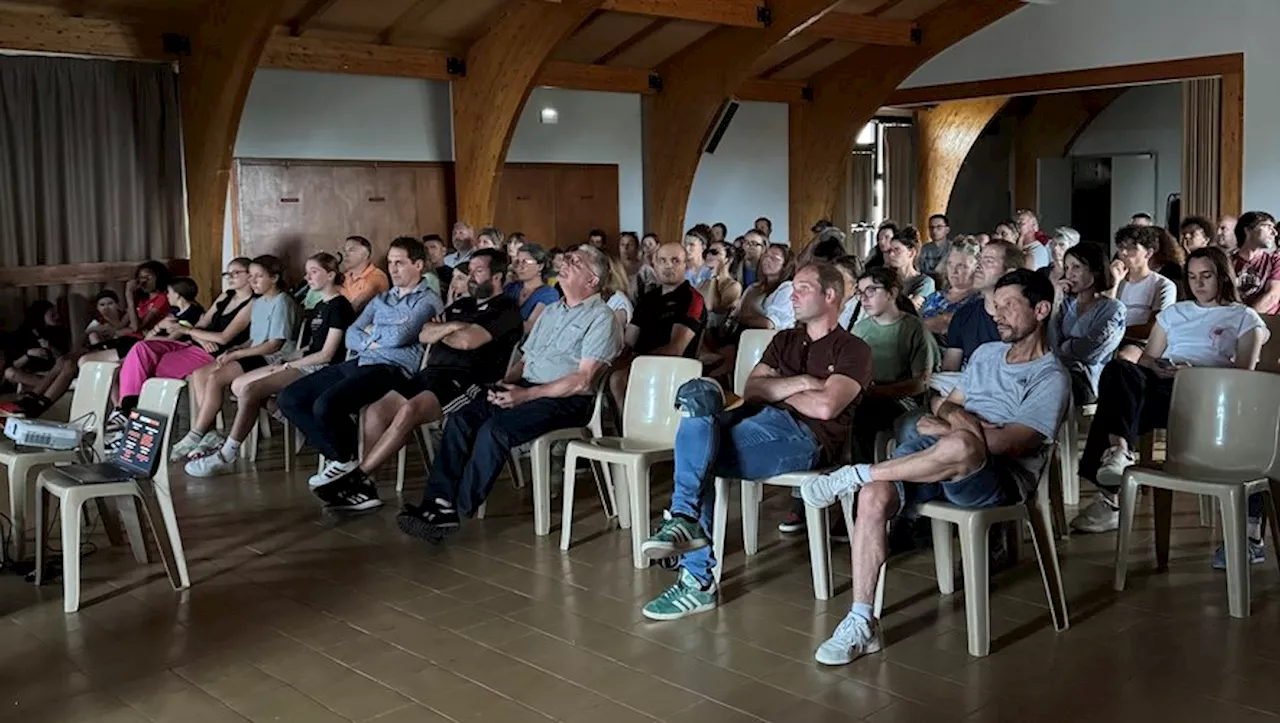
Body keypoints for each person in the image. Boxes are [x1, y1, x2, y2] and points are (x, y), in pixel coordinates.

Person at [801, 268, 1068, 665]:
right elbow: (944, 403)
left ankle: (857, 473)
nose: (997, 314)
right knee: (876, 495)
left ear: (1041, 309)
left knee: (960, 443)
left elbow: (1005, 443)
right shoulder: (988, 354)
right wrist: (957, 418)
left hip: (997, 477)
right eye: (996, 305)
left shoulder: (1051, 376)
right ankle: (861, 620)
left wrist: (954, 423)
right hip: (941, 457)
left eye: (1009, 305)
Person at [637, 261, 872, 620]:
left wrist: (775, 391)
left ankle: (693, 569)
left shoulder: (853, 349)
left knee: (701, 454)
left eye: (803, 288)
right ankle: (684, 519)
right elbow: (750, 388)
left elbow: (825, 407)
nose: (792, 294)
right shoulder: (785, 339)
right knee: (697, 396)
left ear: (830, 295)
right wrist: (802, 383)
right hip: (752, 420)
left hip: (803, 438)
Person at [395, 244, 622, 540]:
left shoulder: (601, 317)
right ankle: (437, 502)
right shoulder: (552, 311)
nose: (565, 262)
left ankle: (456, 508)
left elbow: (583, 380)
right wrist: (505, 385)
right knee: (463, 418)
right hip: (528, 387)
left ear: (592, 280)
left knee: (496, 429)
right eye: (567, 258)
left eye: (575, 262)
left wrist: (526, 395)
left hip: (568, 400)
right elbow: (525, 361)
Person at [1071, 247, 1269, 548]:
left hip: (1209, 394)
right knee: (1118, 370)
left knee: (1117, 404)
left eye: (1206, 276)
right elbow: (1148, 358)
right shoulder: (1175, 312)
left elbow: (1244, 372)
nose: (1198, 284)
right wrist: (1163, 369)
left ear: (1222, 277)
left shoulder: (1243, 316)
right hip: (1164, 383)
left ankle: (1109, 497)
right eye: (1191, 277)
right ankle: (1120, 452)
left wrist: (1194, 373)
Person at [315, 249, 523, 500]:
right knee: (376, 411)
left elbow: (468, 341)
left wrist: (444, 331)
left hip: (467, 381)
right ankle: (367, 486)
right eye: (470, 272)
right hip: (432, 372)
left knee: (408, 410)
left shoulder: (506, 309)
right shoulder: (462, 305)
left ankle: (359, 476)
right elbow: (424, 334)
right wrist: (456, 326)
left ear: (497, 277)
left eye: (478, 272)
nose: (471, 277)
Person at [278, 236, 443, 497]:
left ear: (419, 265)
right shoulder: (383, 299)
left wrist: (371, 334)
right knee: (290, 398)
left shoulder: (427, 301)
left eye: (400, 263)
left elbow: (401, 337)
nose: (393, 269)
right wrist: (377, 337)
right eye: (390, 263)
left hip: (393, 369)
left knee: (326, 405)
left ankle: (345, 461)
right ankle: (344, 458)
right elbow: (351, 333)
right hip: (361, 361)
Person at [184, 253, 355, 476]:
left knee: (251, 389)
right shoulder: (321, 306)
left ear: (331, 275)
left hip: (323, 369)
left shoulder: (339, 306)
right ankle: (296, 425)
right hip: (303, 362)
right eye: (307, 272)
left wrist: (288, 365)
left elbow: (326, 355)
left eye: (314, 272)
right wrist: (291, 358)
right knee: (243, 386)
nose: (307, 277)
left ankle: (227, 453)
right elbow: (311, 347)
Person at [86, 260, 255, 420]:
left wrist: (187, 330)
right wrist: (198, 336)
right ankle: (125, 410)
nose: (230, 277)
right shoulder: (226, 295)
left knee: (144, 367)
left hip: (212, 353)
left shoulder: (252, 303)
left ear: (250, 275)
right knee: (141, 348)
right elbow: (202, 324)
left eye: (236, 273)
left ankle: (131, 415)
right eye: (228, 273)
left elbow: (224, 338)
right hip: (193, 344)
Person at [173, 256, 300, 461]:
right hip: (257, 352)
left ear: (274, 278)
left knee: (216, 377)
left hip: (273, 358)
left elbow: (273, 344)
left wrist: (238, 353)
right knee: (201, 373)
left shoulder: (282, 301)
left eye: (259, 277)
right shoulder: (258, 302)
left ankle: (197, 432)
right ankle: (210, 433)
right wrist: (237, 348)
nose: (253, 282)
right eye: (251, 277)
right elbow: (254, 339)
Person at [848, 266, 937, 462]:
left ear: (892, 293)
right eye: (860, 293)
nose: (864, 298)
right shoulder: (860, 329)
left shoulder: (913, 328)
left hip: (901, 400)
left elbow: (921, 382)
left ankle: (866, 476)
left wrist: (878, 392)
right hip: (864, 393)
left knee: (863, 415)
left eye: (871, 290)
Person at [608, 242, 706, 416]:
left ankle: (629, 431)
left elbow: (676, 349)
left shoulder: (692, 299)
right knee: (601, 372)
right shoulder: (648, 298)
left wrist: (635, 361)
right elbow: (629, 341)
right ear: (655, 264)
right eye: (662, 260)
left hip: (674, 367)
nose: (668, 266)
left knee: (618, 379)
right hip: (640, 363)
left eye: (675, 261)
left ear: (686, 265)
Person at [935, 241, 1025, 392]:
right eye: (979, 259)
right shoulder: (963, 316)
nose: (978, 266)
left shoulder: (1023, 321)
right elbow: (949, 372)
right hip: (966, 396)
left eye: (988, 261)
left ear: (1009, 273)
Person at [1050, 242, 1126, 404]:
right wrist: (1056, 301)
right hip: (1055, 371)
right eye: (1067, 268)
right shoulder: (1064, 304)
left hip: (1087, 379)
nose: (1070, 274)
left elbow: (1089, 352)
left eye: (1076, 267)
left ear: (1095, 271)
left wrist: (1065, 347)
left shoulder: (1112, 308)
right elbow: (1049, 343)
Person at [1115, 225, 1178, 359]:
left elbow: (1152, 329)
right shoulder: (1115, 281)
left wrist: (1114, 331)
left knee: (1123, 358)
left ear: (1148, 253)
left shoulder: (1162, 285)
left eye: (1132, 248)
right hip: (1109, 339)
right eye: (1121, 248)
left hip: (1140, 344)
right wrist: (1114, 284)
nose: (1124, 253)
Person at [921, 240, 980, 338]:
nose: (954, 271)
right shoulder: (935, 296)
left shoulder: (979, 300)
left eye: (961, 266)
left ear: (977, 268)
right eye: (950, 264)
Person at [1230, 210, 1280, 315]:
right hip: (1230, 321)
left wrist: (1244, 319)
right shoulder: (1226, 261)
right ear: (1248, 229)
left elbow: (1273, 295)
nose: (1274, 233)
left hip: (1267, 322)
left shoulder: (1275, 261)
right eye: (1268, 226)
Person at [505, 243, 560, 334]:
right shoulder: (511, 287)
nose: (520, 267)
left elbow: (530, 326)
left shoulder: (548, 293)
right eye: (517, 262)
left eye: (525, 262)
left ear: (540, 266)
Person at [883, 227, 936, 311]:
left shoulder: (925, 282)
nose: (891, 254)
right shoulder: (886, 279)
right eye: (890, 250)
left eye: (897, 250)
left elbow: (912, 308)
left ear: (911, 253)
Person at [338, 235, 391, 313]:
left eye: (351, 250)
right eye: (344, 251)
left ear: (365, 255)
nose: (345, 255)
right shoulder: (344, 277)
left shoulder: (377, 277)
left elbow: (356, 306)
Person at [698, 240, 741, 331]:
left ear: (728, 259)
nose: (709, 255)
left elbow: (711, 306)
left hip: (712, 336)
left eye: (715, 252)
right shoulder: (705, 282)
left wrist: (715, 275)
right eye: (708, 252)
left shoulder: (734, 286)